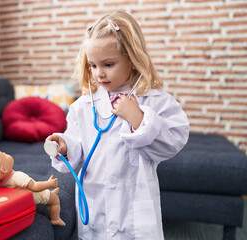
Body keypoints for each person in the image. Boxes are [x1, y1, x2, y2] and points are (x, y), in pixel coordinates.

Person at [46, 11, 189, 239]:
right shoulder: (83, 106)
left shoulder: (154, 101)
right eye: (92, 65)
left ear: (132, 60)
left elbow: (175, 140)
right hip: (96, 205)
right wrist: (65, 146)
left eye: (108, 64)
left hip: (133, 212)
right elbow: (78, 147)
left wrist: (139, 119)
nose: (99, 73)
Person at [0, 145, 66, 226]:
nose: (5, 153)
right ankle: (55, 219)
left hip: (22, 199)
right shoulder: (17, 177)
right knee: (55, 200)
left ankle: (48, 194)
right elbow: (35, 187)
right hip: (33, 196)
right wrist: (48, 184)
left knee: (46, 193)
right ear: (3, 169)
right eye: (3, 155)